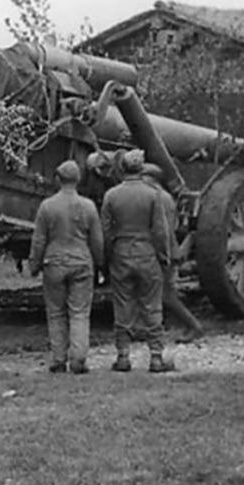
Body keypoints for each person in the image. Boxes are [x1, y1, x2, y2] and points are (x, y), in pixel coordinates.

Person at [100, 149, 175, 373]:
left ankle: (123, 356)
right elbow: (160, 231)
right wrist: (163, 256)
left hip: (121, 255)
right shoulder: (153, 194)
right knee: (152, 306)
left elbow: (106, 231)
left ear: (122, 168)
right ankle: (156, 358)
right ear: (141, 168)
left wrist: (107, 257)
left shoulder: (111, 195)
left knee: (123, 306)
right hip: (147, 253)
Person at [28, 160, 104, 374]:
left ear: (58, 179)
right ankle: (79, 359)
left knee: (56, 313)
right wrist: (100, 263)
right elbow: (97, 241)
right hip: (81, 262)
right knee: (79, 313)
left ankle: (58, 360)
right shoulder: (88, 206)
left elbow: (39, 240)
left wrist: (34, 265)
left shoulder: (47, 206)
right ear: (78, 180)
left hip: (54, 263)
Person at [142, 163, 205, 342]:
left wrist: (164, 254)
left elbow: (164, 231)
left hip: (165, 253)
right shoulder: (165, 198)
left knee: (166, 295)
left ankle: (194, 327)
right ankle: (172, 328)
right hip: (167, 251)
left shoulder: (159, 199)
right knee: (160, 293)